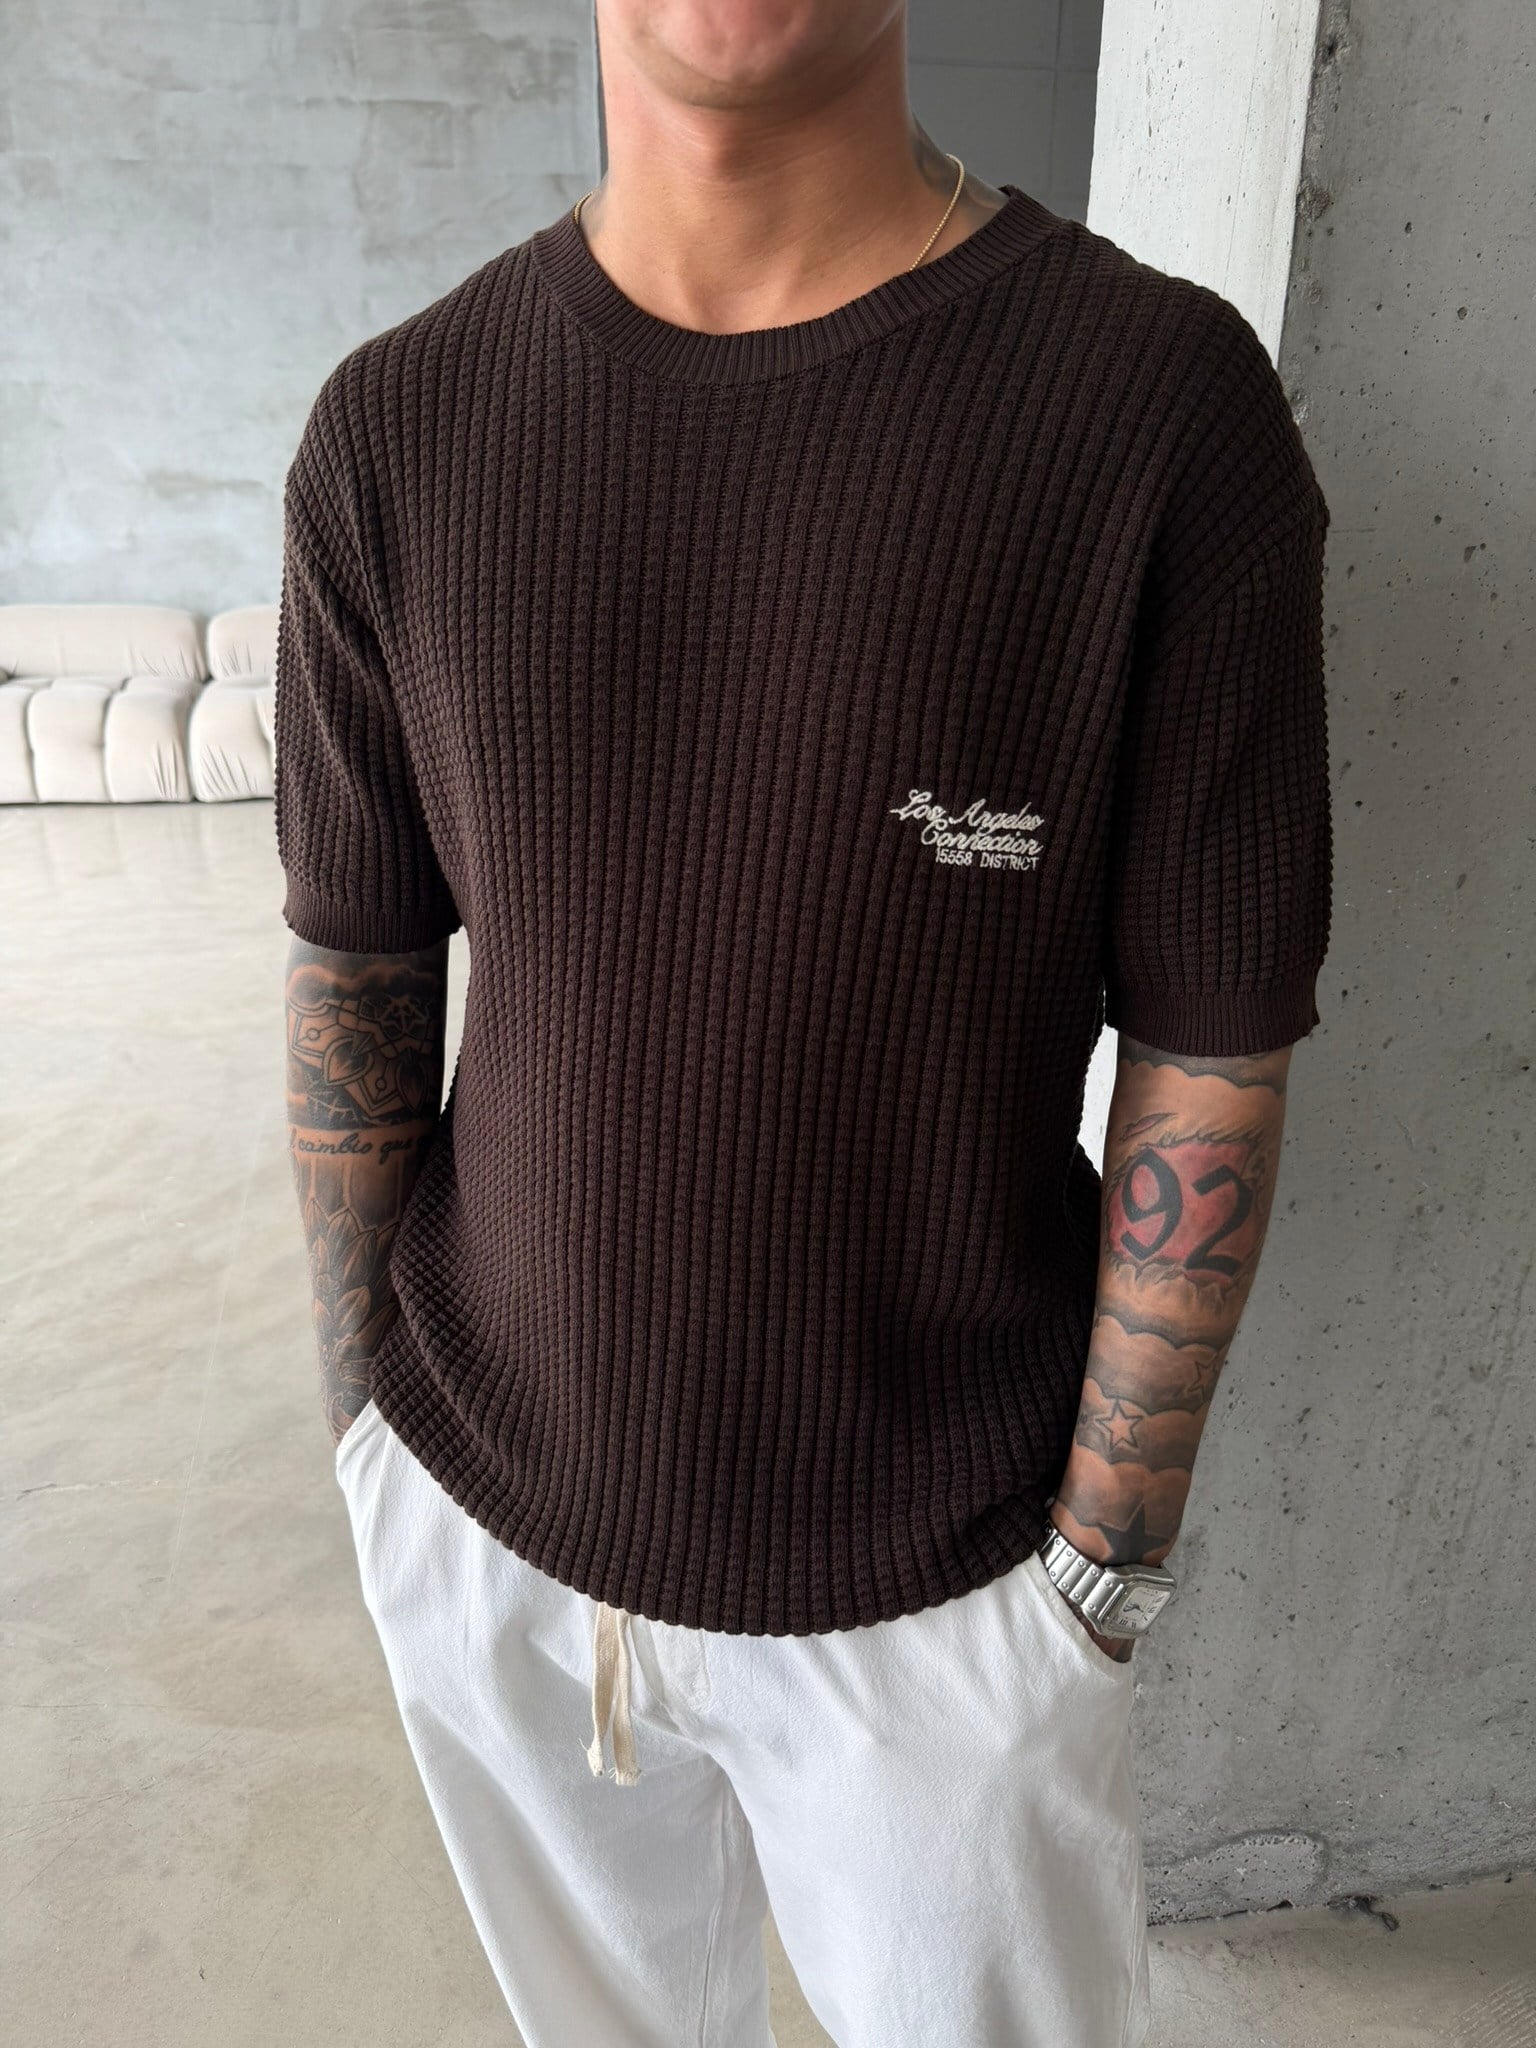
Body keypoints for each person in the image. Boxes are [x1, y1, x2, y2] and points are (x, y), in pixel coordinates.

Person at [275, 4, 1331, 2043]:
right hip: (488, 1527)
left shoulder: (1154, 411)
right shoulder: (398, 430)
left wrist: (1096, 1573)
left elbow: (1212, 1041)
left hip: (952, 1594)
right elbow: (357, 969)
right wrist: (369, 1440)